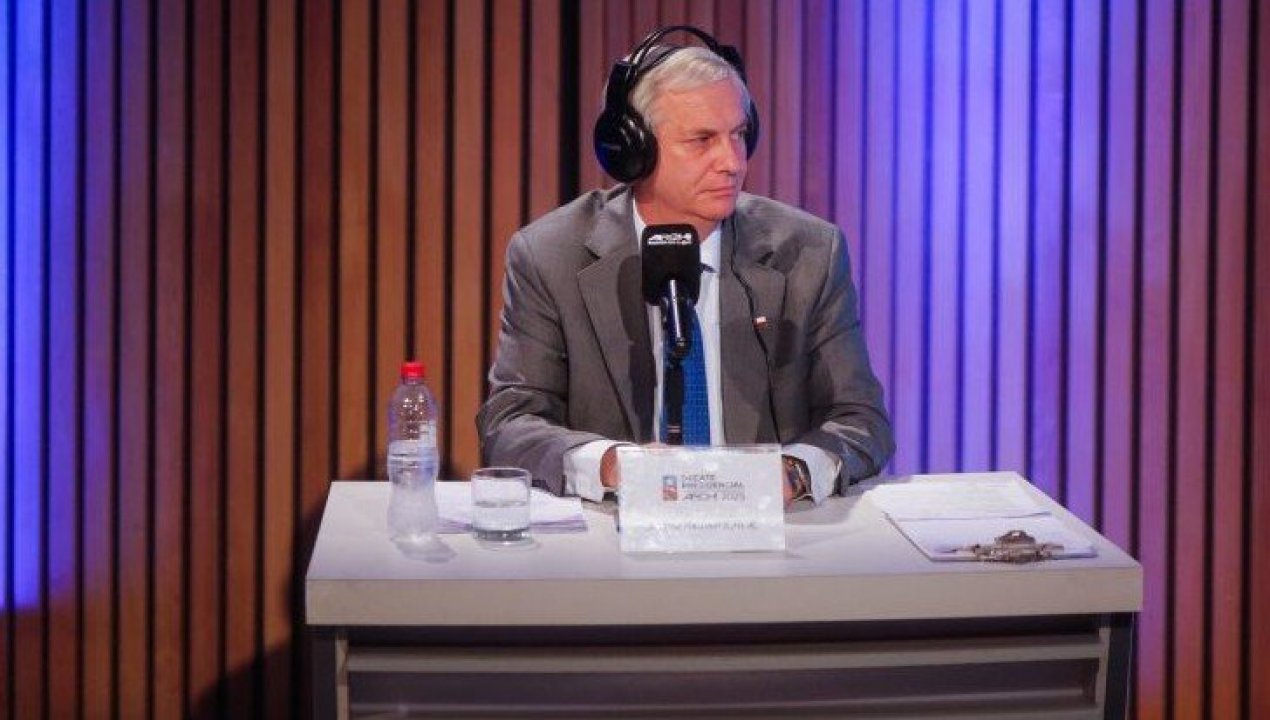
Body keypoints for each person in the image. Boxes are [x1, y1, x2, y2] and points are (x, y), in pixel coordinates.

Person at [477, 26, 893, 505]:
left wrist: (794, 472)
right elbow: (510, 423)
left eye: (739, 135)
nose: (732, 161)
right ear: (634, 149)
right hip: (612, 537)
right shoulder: (550, 256)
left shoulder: (809, 252)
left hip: (772, 534)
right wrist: (612, 464)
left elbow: (861, 420)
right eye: (702, 140)